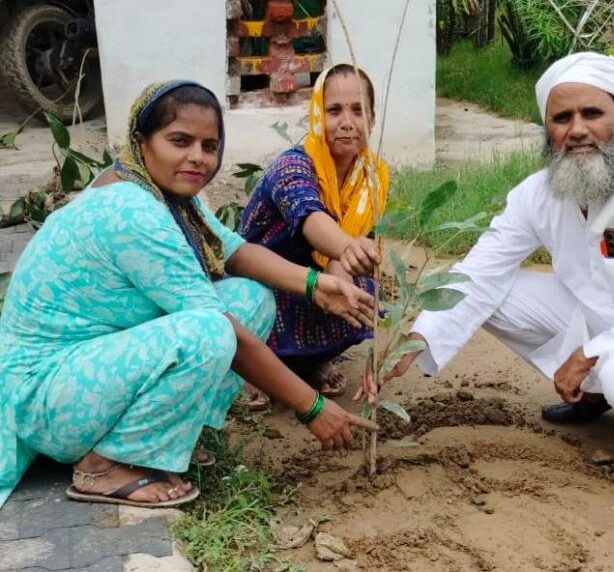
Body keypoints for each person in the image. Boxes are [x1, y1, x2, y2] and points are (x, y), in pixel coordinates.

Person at [0, 80, 377, 511]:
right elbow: (224, 332)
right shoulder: (134, 212)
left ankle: (166, 439)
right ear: (142, 143)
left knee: (252, 299)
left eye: (209, 145)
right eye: (180, 141)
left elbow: (234, 251)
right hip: (44, 399)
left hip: (85, 373)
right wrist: (311, 407)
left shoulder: (164, 194)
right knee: (211, 332)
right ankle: (103, 465)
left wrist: (315, 285)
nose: (197, 157)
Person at [359, 52, 614, 481]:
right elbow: (479, 271)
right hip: (608, 322)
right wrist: (411, 342)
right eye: (561, 118)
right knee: (494, 292)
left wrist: (592, 352)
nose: (577, 130)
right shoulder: (538, 194)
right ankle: (594, 392)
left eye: (592, 113)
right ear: (547, 129)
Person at [239, 64, 389, 399]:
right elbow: (308, 215)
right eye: (334, 110)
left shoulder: (373, 178)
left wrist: (348, 269)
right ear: (317, 115)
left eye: (358, 111)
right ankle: (254, 367)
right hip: (267, 278)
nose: (347, 122)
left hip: (317, 275)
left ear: (373, 119)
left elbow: (359, 249)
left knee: (361, 293)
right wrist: (348, 249)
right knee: (272, 298)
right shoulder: (292, 166)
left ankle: (309, 362)